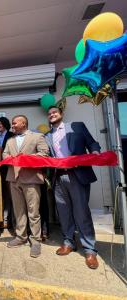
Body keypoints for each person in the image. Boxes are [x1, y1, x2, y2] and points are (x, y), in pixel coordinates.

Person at [45, 106, 100, 269]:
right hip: (58, 177)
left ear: (61, 114)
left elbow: (91, 142)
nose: (51, 115)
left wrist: (95, 152)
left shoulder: (77, 126)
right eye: (49, 114)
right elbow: (45, 156)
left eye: (54, 112)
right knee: (64, 212)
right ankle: (69, 243)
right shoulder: (47, 136)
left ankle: (90, 250)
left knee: (81, 212)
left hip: (77, 175)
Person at [3, 115, 49, 258]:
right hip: (14, 179)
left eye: (15, 123)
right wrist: (11, 158)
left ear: (24, 123)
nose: (13, 125)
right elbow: (5, 155)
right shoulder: (10, 140)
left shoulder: (37, 136)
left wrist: (26, 158)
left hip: (31, 179)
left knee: (33, 212)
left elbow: (44, 154)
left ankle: (35, 241)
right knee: (19, 211)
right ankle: (21, 237)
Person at [0, 116, 14, 229]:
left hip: (10, 169)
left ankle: (11, 220)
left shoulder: (12, 135)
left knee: (11, 195)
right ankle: (3, 219)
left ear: (5, 124)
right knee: (4, 195)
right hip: (1, 170)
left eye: (0, 124)